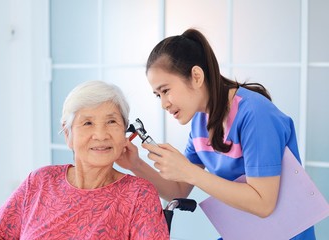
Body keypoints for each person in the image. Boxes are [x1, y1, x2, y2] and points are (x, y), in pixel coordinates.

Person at [116, 28, 316, 239]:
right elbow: (179, 190)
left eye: (165, 90)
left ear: (196, 76)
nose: (164, 104)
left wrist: (188, 171)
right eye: (158, 95)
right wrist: (135, 164)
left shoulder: (256, 115)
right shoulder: (200, 123)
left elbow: (263, 203)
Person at [0, 81, 169, 240]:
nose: (101, 135)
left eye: (111, 121)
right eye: (88, 123)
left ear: (124, 133)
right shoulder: (41, 181)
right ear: (68, 134)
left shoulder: (139, 195)